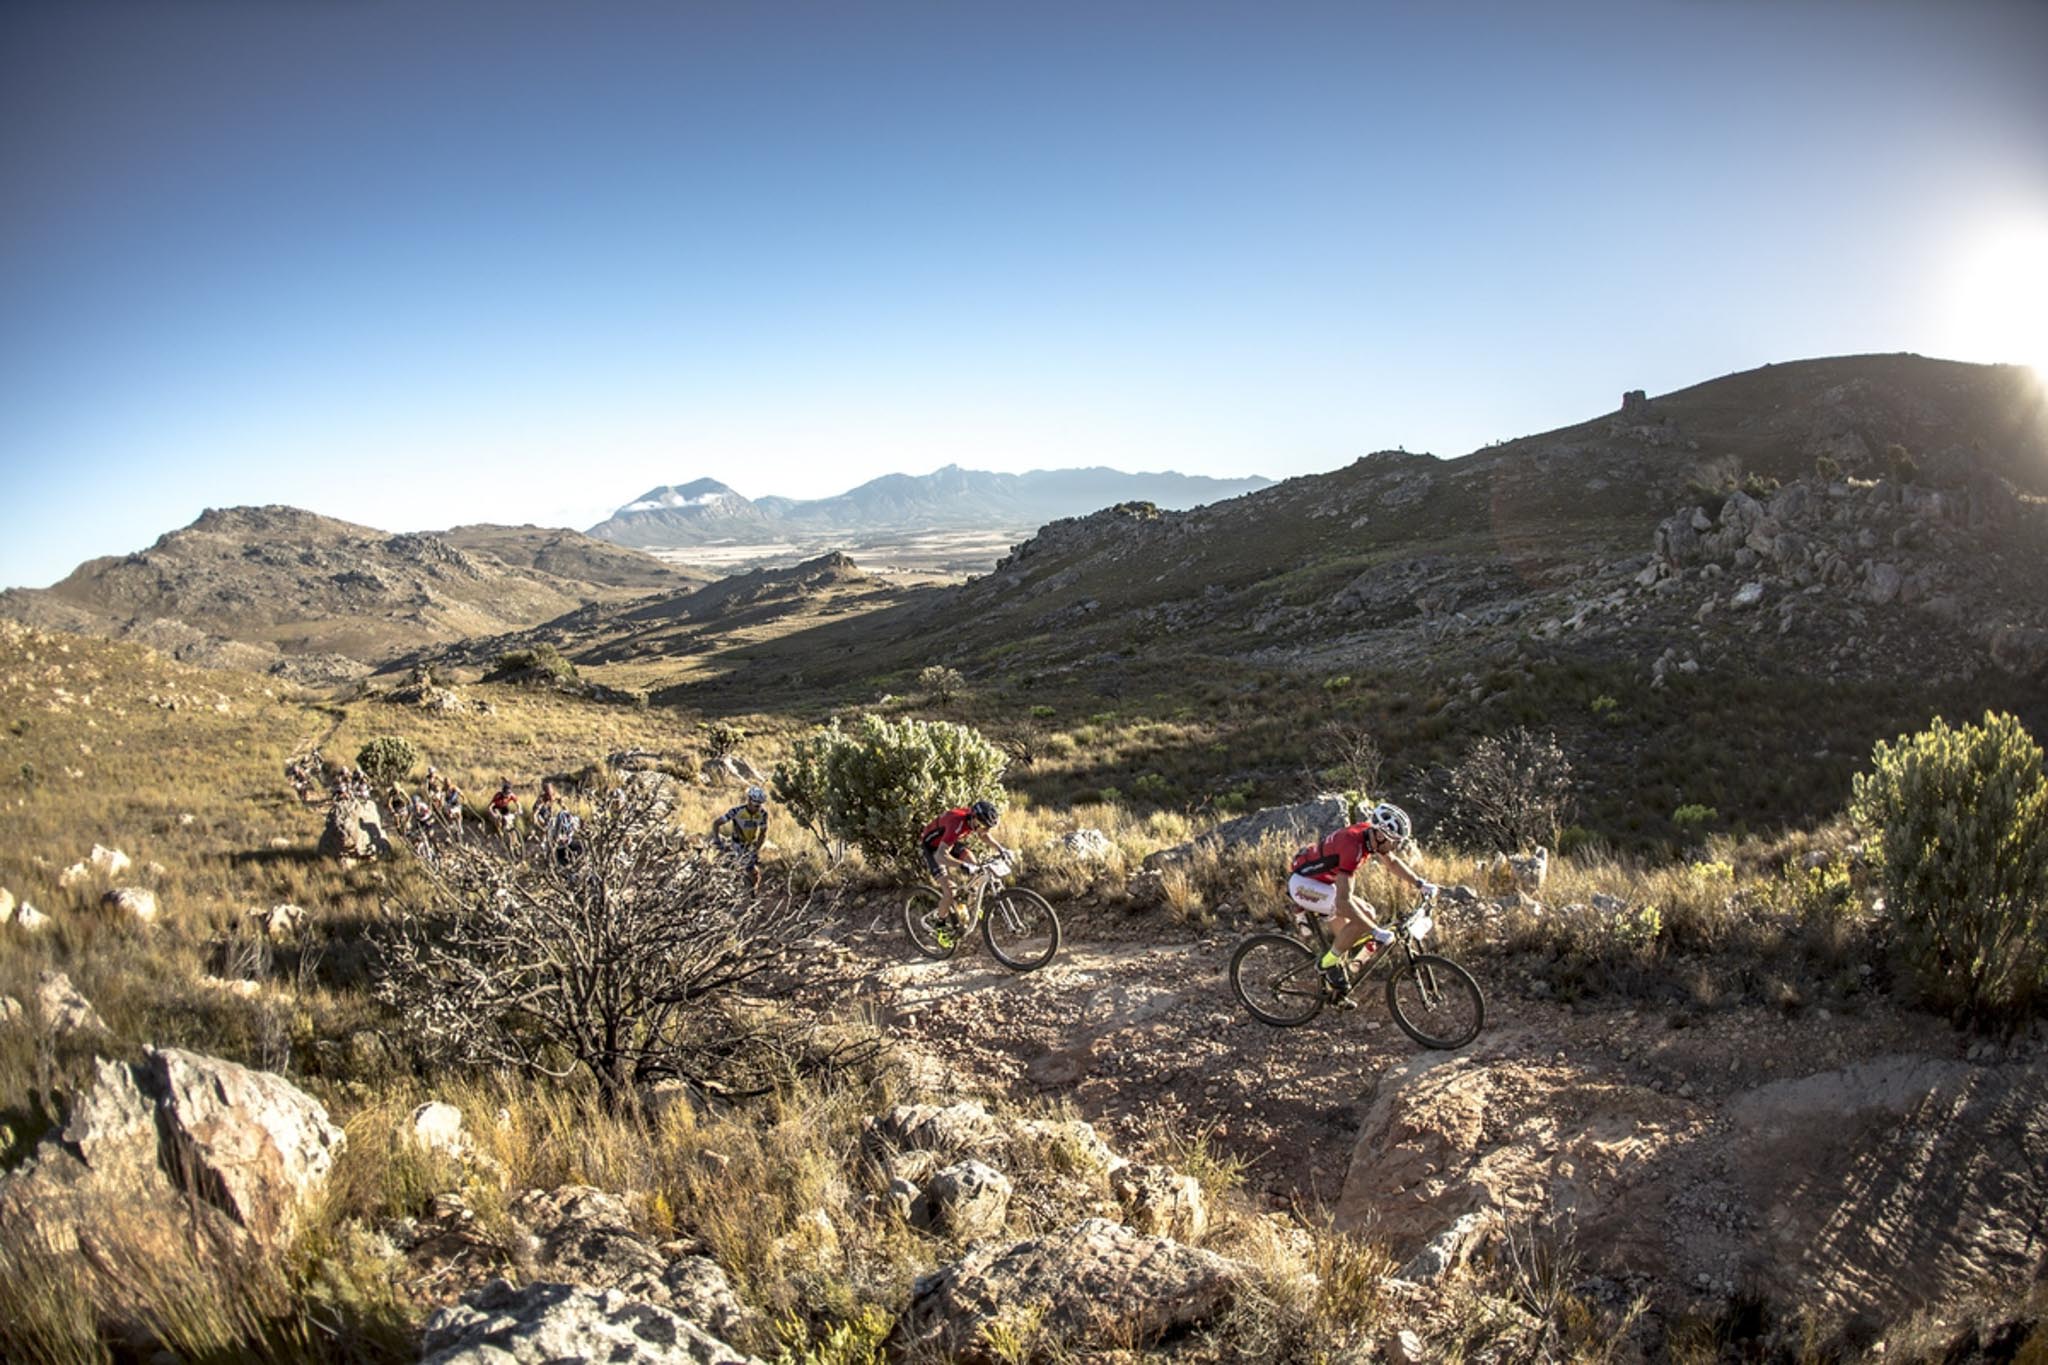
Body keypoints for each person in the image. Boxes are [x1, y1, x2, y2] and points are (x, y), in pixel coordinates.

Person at [1286, 802, 1438, 998]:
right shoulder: (1353, 848)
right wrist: (1376, 932)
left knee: (1365, 916)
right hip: (1303, 885)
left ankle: (1343, 974)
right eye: (1395, 840)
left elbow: (1391, 862)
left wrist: (1420, 883)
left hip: (1321, 881)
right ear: (1381, 835)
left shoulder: (1370, 835)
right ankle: (1326, 965)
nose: (1397, 845)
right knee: (1362, 920)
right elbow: (1344, 902)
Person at [919, 798, 1011, 937]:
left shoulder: (974, 820)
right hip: (933, 848)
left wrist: (1001, 849)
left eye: (987, 827)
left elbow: (983, 835)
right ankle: (939, 925)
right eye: (982, 825)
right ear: (974, 817)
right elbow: (940, 856)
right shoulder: (957, 823)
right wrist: (962, 865)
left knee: (977, 868)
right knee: (950, 891)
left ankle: (970, 905)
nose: (983, 829)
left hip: (947, 840)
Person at [711, 785, 771, 889]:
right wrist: (717, 841)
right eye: (755, 805)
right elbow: (716, 823)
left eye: (760, 805)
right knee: (730, 869)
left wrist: (756, 849)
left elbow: (763, 833)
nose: (757, 808)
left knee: (754, 874)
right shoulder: (736, 811)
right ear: (749, 800)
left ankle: (753, 894)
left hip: (750, 845)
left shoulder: (763, 814)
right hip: (736, 844)